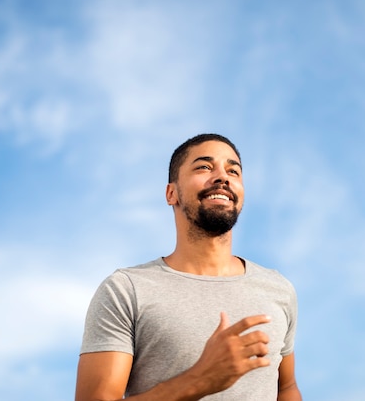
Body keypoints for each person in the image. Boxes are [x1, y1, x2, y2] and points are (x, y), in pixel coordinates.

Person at [75, 133, 302, 401]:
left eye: (233, 171)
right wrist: (200, 379)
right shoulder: (126, 290)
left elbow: (286, 388)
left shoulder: (277, 288)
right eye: (204, 167)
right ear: (172, 193)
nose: (222, 177)